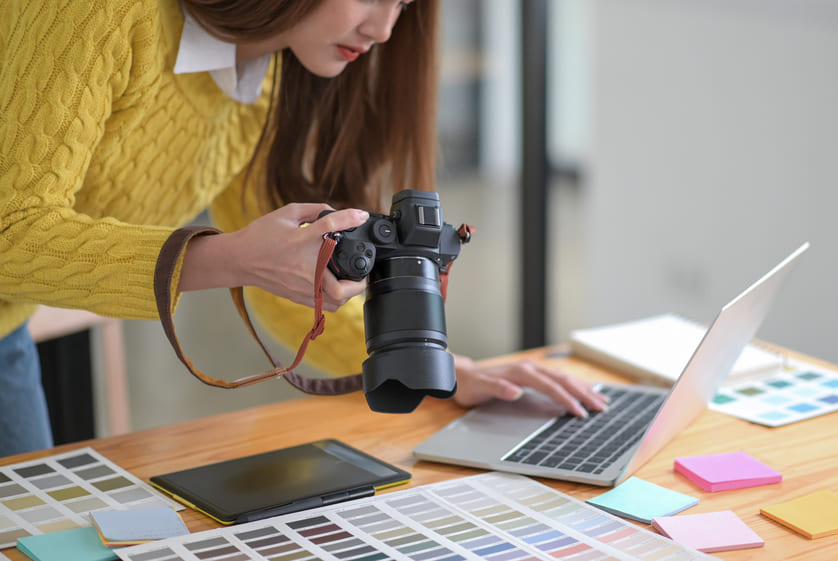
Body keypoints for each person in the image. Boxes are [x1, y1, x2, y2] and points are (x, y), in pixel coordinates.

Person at [0, 0, 608, 457]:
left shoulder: (263, 71)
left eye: (403, 2)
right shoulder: (96, 12)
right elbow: (9, 230)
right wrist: (229, 258)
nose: (384, 28)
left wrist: (437, 371)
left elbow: (289, 275)